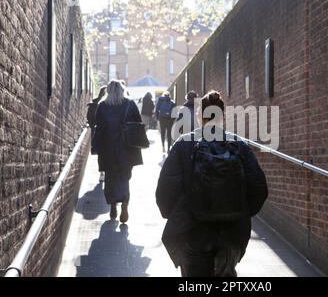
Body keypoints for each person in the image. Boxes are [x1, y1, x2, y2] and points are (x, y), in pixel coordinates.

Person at [156, 90, 268, 277]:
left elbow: (166, 190)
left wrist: (176, 214)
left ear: (200, 116)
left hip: (192, 229)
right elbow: (258, 188)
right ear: (222, 116)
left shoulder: (184, 144)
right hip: (231, 231)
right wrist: (240, 212)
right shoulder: (239, 145)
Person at [92, 80, 144, 223]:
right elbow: (138, 125)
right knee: (124, 178)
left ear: (108, 91)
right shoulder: (130, 104)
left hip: (108, 149)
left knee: (110, 178)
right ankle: (125, 204)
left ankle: (113, 205)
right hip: (126, 149)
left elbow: (99, 128)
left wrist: (96, 147)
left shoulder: (102, 106)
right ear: (122, 90)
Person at [87, 85, 107, 183]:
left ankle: (102, 172)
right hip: (103, 133)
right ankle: (103, 172)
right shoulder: (105, 104)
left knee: (101, 154)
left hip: (97, 132)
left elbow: (89, 118)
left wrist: (93, 126)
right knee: (105, 153)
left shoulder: (95, 103)